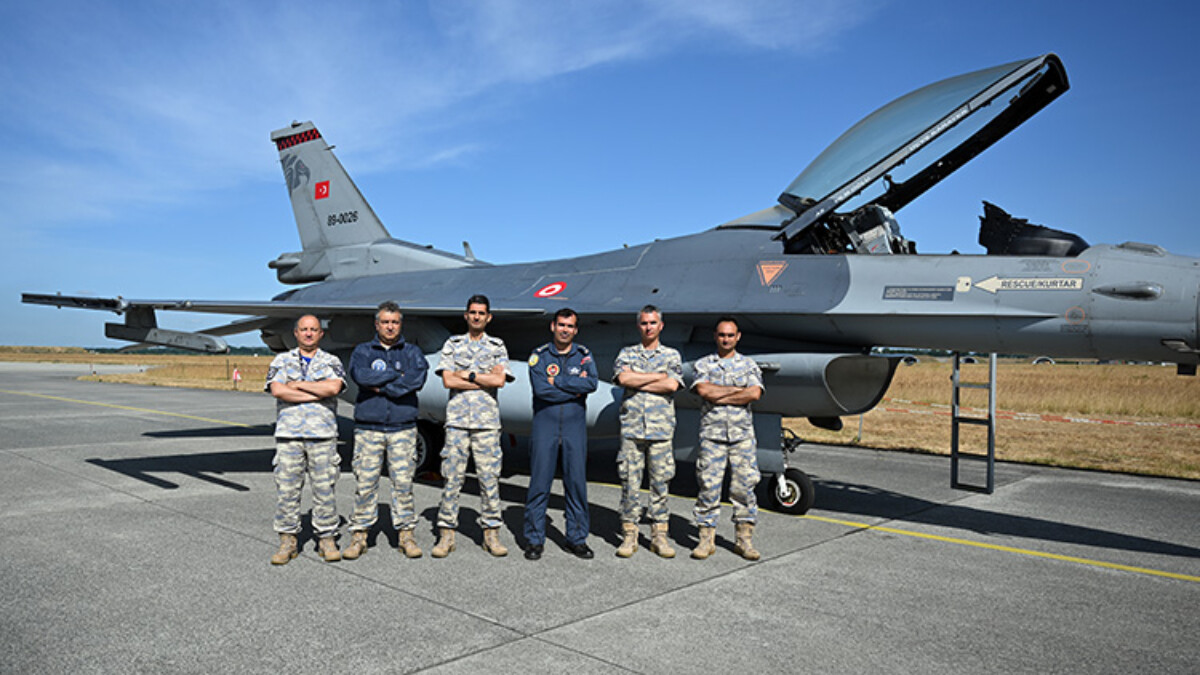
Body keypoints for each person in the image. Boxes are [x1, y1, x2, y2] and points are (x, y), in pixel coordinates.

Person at [340, 302, 429, 560]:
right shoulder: (363, 351)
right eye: (385, 322)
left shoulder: (412, 352)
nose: (390, 327)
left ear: (400, 325)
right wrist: (397, 376)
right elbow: (361, 375)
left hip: (403, 428)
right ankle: (359, 536)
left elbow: (418, 379)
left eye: (395, 322)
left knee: (403, 484)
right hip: (369, 429)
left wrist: (383, 386)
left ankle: (406, 536)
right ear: (377, 324)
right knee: (365, 484)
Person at [431, 295, 515, 558]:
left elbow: (500, 381)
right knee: (452, 479)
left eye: (481, 313)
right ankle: (446, 534)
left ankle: (491, 533)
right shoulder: (452, 344)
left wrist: (465, 375)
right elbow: (447, 380)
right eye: (472, 312)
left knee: (489, 480)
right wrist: (482, 379)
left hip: (487, 424)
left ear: (488, 317)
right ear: (466, 316)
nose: (477, 316)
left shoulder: (497, 345)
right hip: (457, 423)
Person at [266, 315, 346, 565]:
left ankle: (326, 538)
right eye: (304, 330)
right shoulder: (282, 360)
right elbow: (278, 390)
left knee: (325, 490)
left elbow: (333, 389)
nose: (309, 333)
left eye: (314, 330)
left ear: (321, 334)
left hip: (322, 435)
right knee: (287, 490)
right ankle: (288, 540)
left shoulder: (331, 361)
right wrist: (315, 392)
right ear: (296, 333)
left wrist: (298, 386)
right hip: (289, 436)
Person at [523, 308, 598, 560]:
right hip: (546, 425)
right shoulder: (539, 356)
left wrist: (559, 382)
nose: (565, 329)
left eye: (570, 326)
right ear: (553, 326)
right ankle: (534, 539)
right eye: (561, 325)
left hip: (574, 428)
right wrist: (573, 390)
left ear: (575, 330)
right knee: (539, 483)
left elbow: (591, 384)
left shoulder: (584, 356)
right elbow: (541, 390)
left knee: (576, 483)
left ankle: (576, 538)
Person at [690, 317, 764, 561]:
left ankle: (744, 541)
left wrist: (719, 394)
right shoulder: (704, 365)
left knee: (744, 488)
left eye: (730, 335)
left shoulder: (749, 364)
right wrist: (737, 392)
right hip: (712, 436)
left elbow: (754, 393)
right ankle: (706, 540)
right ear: (715, 336)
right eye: (722, 335)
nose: (726, 339)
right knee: (708, 487)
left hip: (742, 436)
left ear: (738, 337)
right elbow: (703, 391)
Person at [612, 305, 683, 558]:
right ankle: (629, 535)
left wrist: (639, 377)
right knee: (629, 483)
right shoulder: (627, 353)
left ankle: (659, 536)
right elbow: (623, 380)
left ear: (660, 325)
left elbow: (672, 384)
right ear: (638, 326)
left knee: (660, 484)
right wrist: (657, 377)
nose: (648, 327)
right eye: (644, 323)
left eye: (653, 323)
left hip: (661, 431)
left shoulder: (672, 355)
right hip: (632, 430)